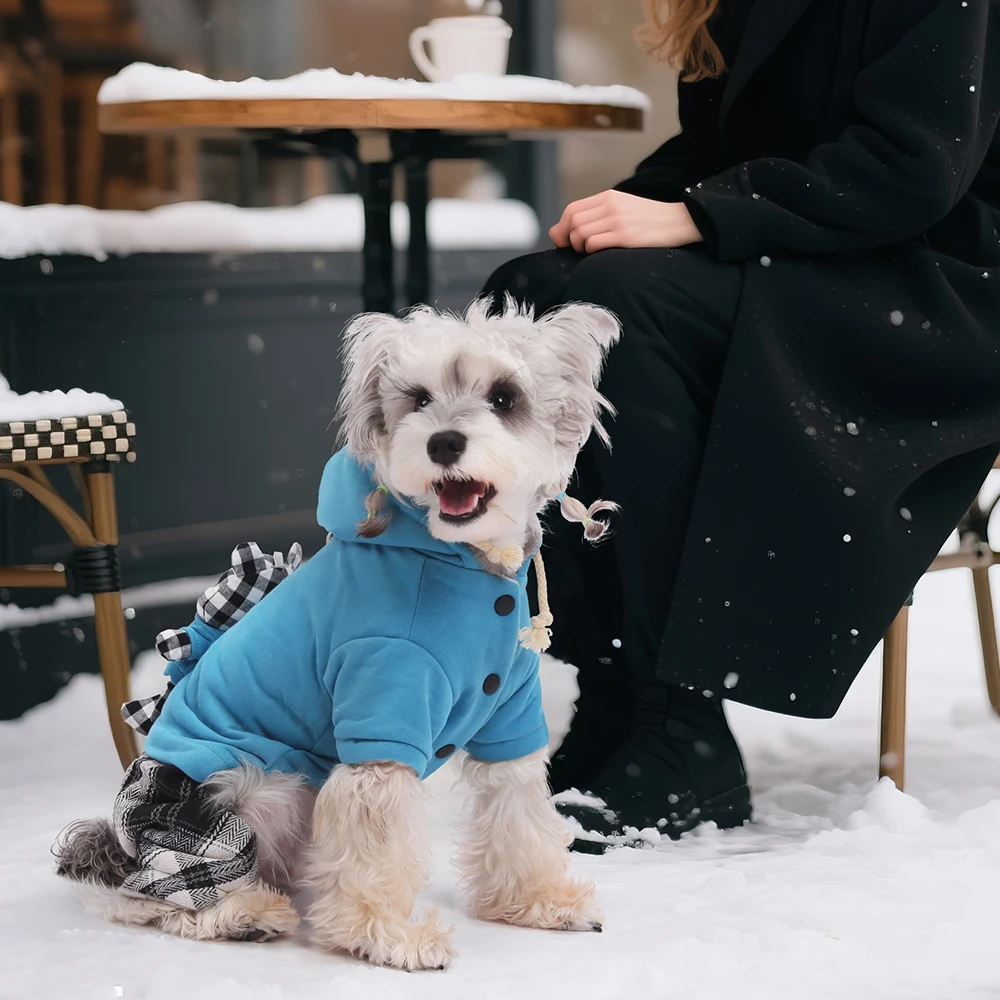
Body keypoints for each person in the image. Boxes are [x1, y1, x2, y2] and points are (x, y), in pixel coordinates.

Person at [481, 0, 1000, 848]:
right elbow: (724, 145)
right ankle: (617, 688)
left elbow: (915, 165)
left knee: (620, 314)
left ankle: (683, 723)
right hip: (819, 248)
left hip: (938, 278)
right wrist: (627, 207)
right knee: (535, 294)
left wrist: (699, 215)